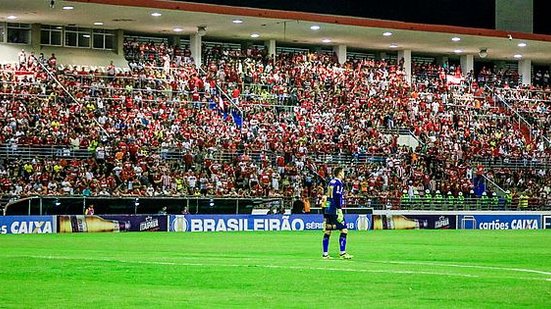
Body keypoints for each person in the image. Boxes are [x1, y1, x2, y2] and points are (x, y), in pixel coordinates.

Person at [321, 167, 353, 260]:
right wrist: (339, 210)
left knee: (328, 231)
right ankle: (343, 253)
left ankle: (325, 254)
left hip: (328, 208)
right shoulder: (339, 183)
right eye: (343, 172)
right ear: (339, 173)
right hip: (335, 209)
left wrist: (325, 212)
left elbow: (328, 197)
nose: (344, 174)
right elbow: (337, 197)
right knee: (344, 230)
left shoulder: (331, 182)